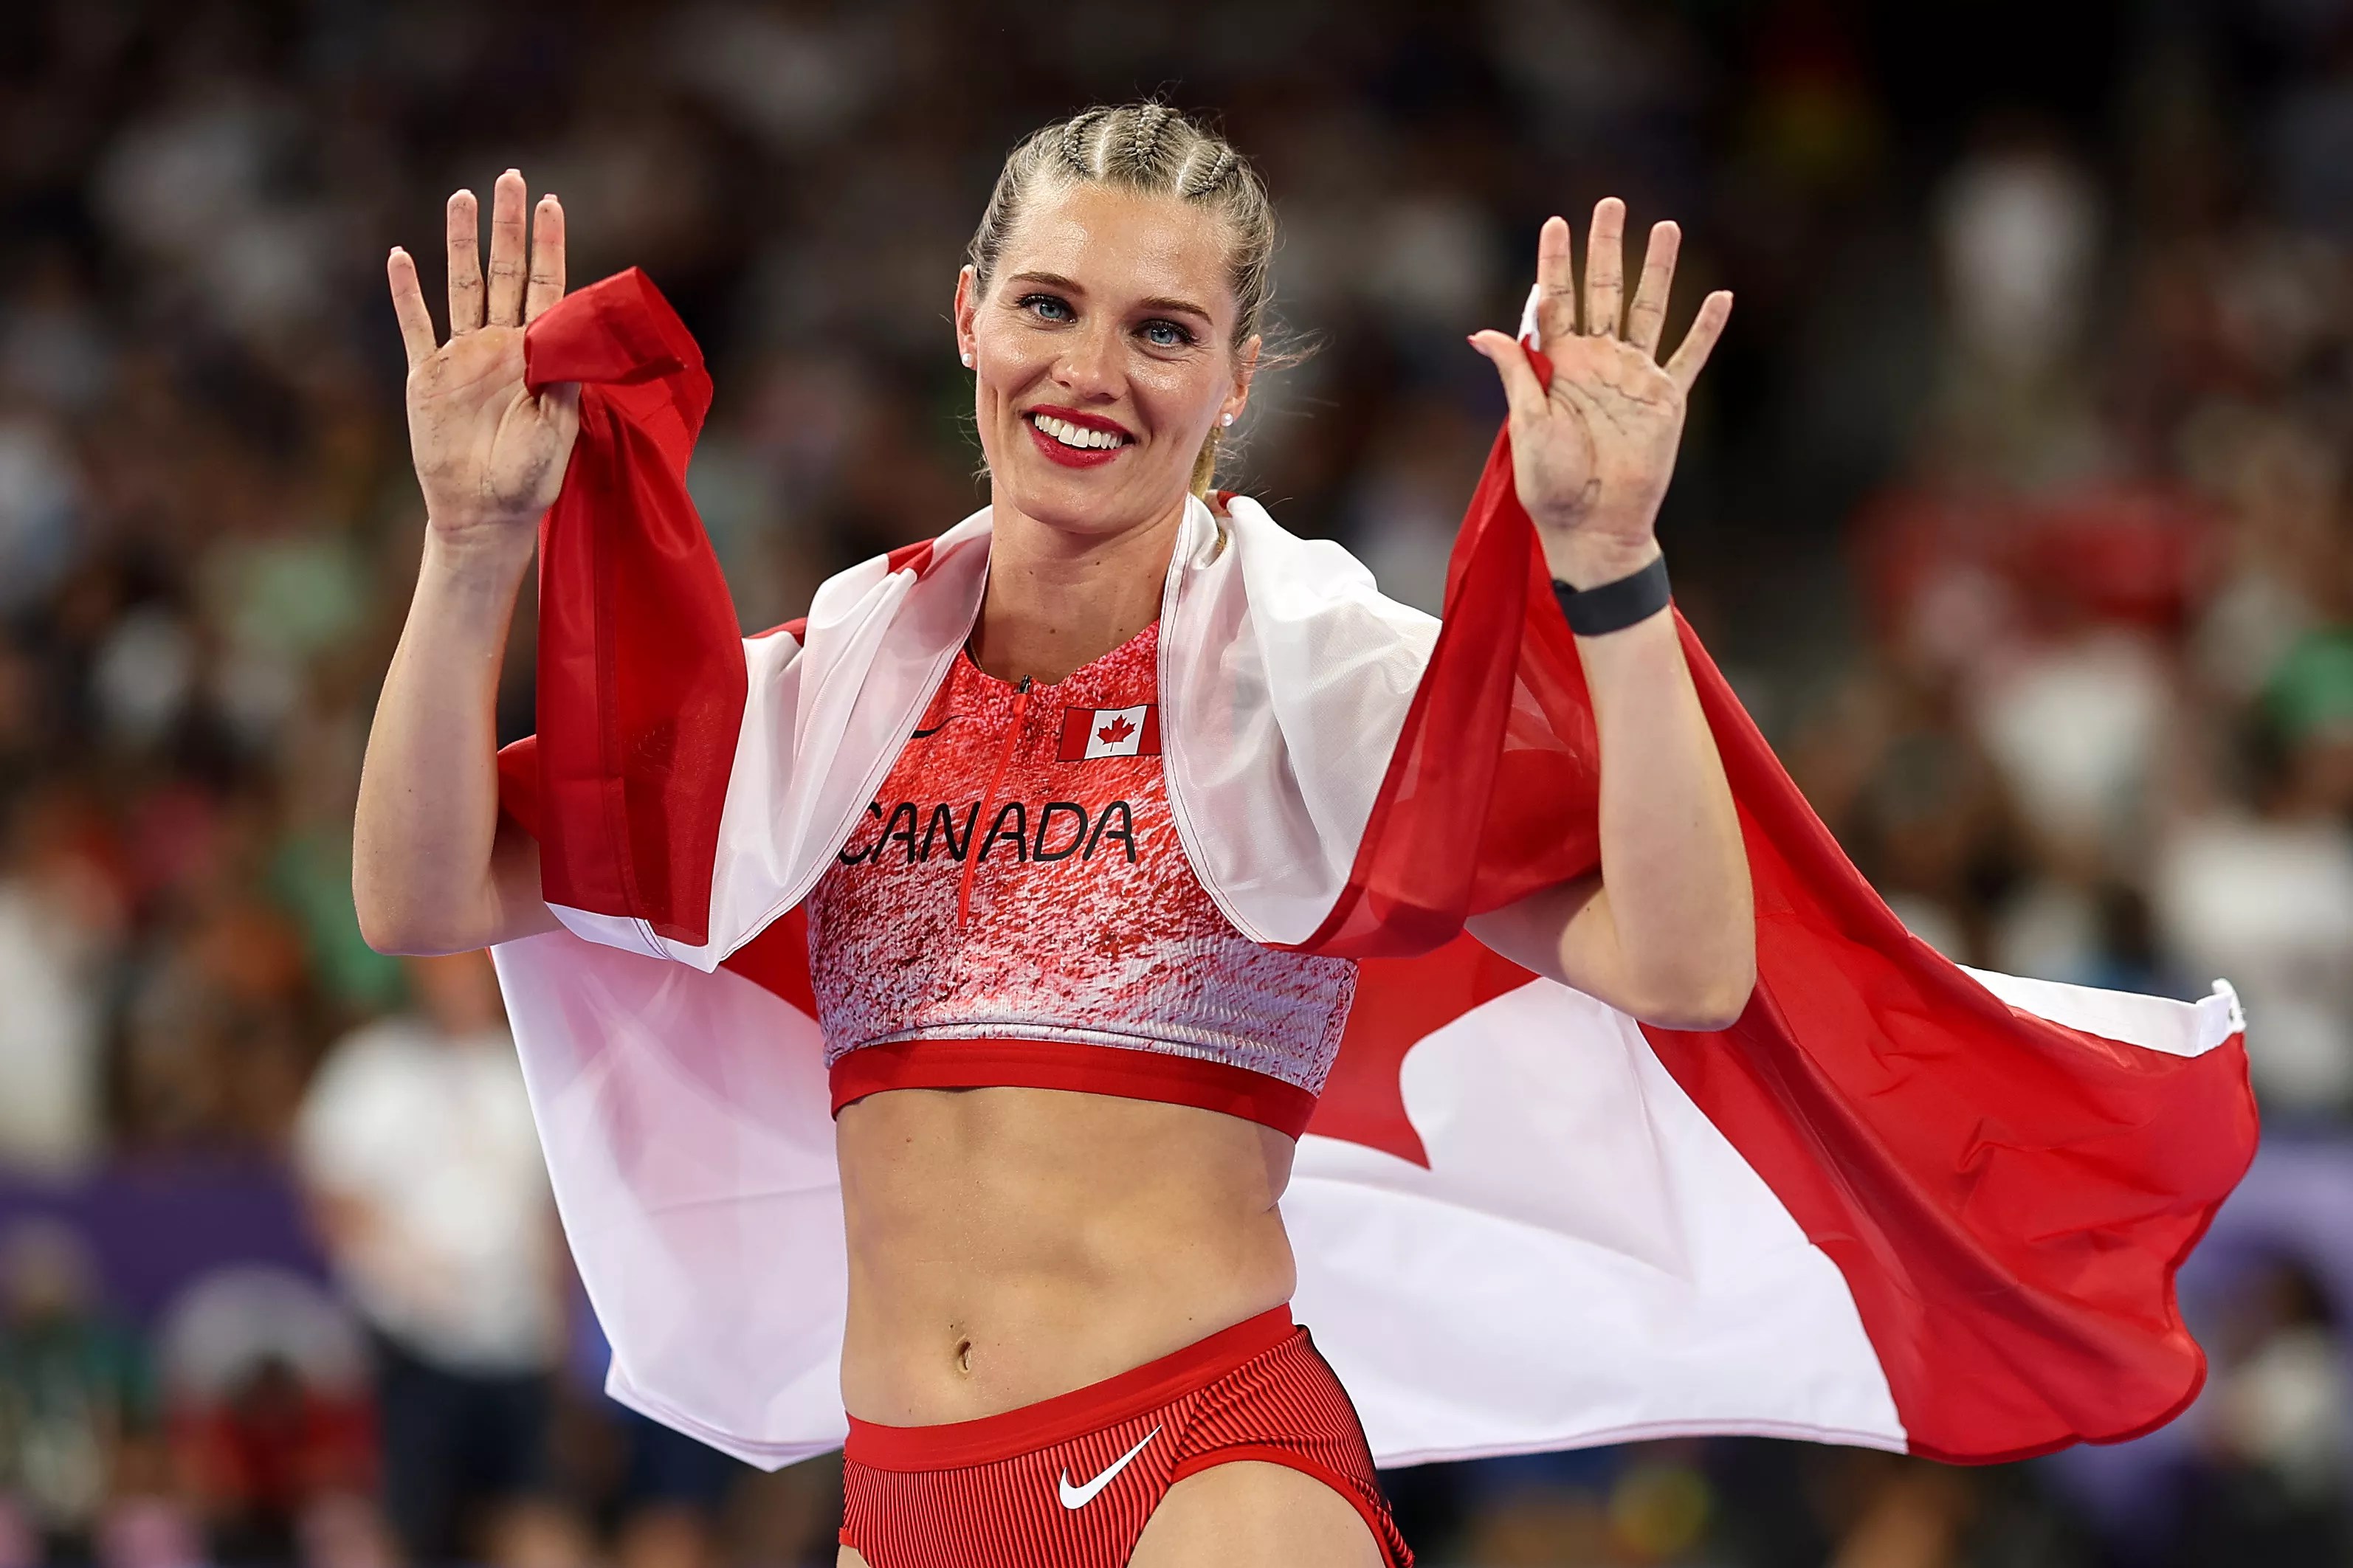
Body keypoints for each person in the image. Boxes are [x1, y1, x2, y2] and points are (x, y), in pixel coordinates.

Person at [350, 102, 1743, 1566]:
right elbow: (423, 892)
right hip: (900, 1508)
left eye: (1162, 332)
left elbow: (1685, 965)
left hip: (1210, 1480)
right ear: (967, 316)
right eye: (1047, 306)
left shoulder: (1319, 689)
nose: (1090, 372)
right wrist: (470, 546)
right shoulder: (824, 698)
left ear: (1234, 381)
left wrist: (1612, 570)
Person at [293, 952, 565, 1565]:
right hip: (408, 1344)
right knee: (407, 1520)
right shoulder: (372, 1069)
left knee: (530, 1515)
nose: (462, 987)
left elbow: (550, 1215)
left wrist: (554, 1329)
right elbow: (332, 1193)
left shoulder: (527, 1070)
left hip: (513, 1343)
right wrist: (400, 1272)